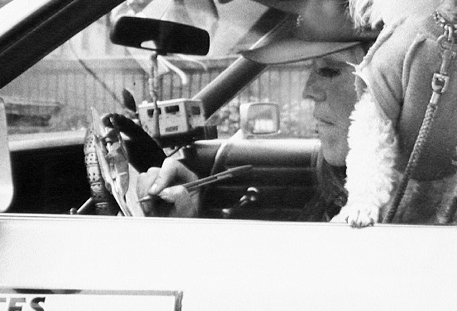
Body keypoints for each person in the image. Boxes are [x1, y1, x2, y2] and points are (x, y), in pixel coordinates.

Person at [137, 36, 365, 220]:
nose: (307, 91)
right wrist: (188, 217)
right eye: (312, 70)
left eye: (329, 71)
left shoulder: (379, 213)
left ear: (388, 84)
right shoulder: (347, 200)